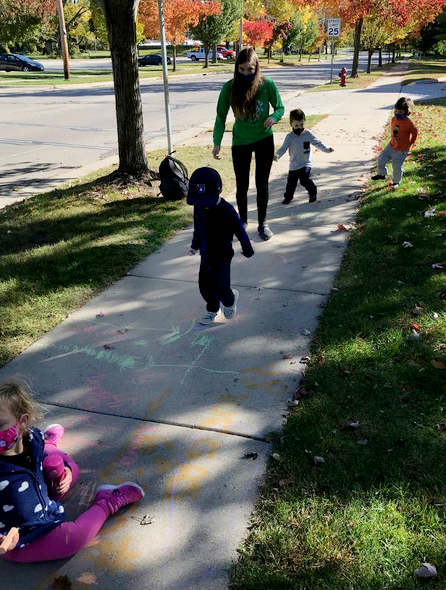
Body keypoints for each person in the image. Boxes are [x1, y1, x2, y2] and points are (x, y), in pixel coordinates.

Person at [0, 379, 144, 563]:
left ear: (22, 422)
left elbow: (40, 460)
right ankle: (107, 502)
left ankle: (49, 443)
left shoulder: (31, 439)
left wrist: (65, 473)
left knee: (70, 469)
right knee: (72, 539)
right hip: (22, 540)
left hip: (42, 499)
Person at [212, 47, 284, 241]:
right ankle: (242, 222)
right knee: (242, 184)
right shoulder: (229, 88)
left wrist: (273, 117)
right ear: (236, 68)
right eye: (242, 69)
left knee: (262, 183)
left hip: (264, 140)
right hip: (241, 142)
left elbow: (280, 107)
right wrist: (217, 142)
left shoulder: (266, 84)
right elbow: (220, 116)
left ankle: (263, 223)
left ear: (256, 68)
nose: (245, 73)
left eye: (250, 69)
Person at [187, 167, 254, 325]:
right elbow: (198, 227)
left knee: (221, 287)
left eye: (205, 201)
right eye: (199, 201)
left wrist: (247, 248)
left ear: (220, 191)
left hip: (223, 255)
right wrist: (194, 245)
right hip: (205, 253)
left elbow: (239, 230)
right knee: (204, 286)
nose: (202, 204)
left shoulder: (227, 210)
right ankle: (212, 308)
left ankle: (230, 300)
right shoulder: (199, 206)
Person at [274, 108, 334, 204]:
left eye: (302, 125)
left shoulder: (308, 134)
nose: (299, 128)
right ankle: (288, 197)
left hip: (306, 162)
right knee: (291, 183)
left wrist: (327, 149)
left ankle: (313, 192)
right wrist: (277, 155)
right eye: (296, 125)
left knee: (304, 180)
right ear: (291, 124)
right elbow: (283, 148)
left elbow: (317, 143)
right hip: (294, 164)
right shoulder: (289, 137)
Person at [371, 97, 418, 189]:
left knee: (396, 166)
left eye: (401, 112)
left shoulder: (408, 123)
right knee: (380, 159)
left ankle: (396, 182)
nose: (397, 114)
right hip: (391, 145)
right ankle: (382, 174)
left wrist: (410, 142)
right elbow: (396, 128)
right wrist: (395, 135)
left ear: (407, 112)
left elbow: (415, 132)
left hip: (401, 149)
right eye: (396, 111)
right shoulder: (394, 119)